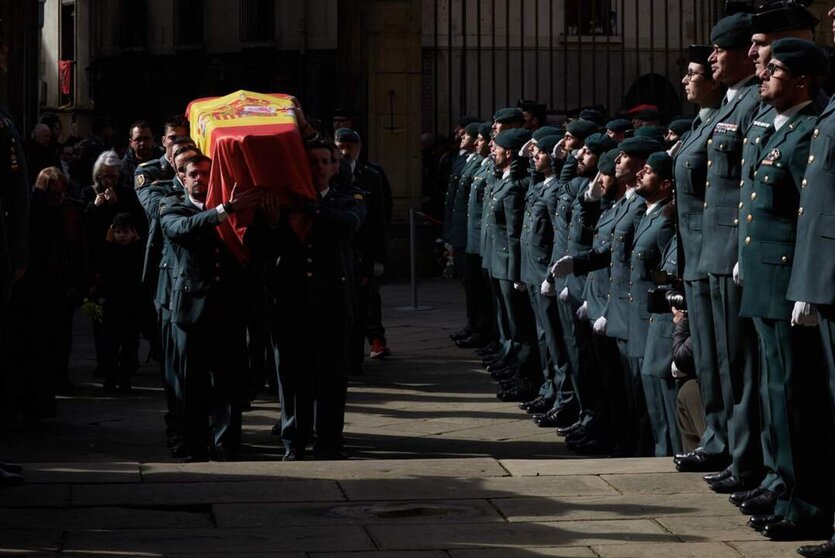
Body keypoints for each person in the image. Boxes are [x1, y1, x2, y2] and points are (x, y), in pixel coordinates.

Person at [738, 38, 831, 542]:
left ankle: (805, 500)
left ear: (801, 82)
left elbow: (807, 216)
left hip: (787, 279)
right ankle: (785, 485)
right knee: (776, 391)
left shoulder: (806, 131)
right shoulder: (778, 129)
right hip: (764, 276)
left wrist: (804, 286)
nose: (763, 74)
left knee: (795, 395)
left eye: (774, 70)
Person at [676, 12, 760, 479]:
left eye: (718, 50)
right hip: (704, 251)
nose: (711, 58)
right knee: (712, 361)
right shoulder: (727, 108)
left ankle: (740, 454)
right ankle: (721, 441)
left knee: (735, 364)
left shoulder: (747, 104)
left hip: (727, 251)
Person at [254, 140, 366, 460]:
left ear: (334, 166)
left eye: (325, 162)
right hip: (290, 300)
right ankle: (294, 440)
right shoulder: (283, 202)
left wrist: (309, 205)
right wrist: (275, 221)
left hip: (332, 301)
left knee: (331, 377)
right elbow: (262, 249)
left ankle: (329, 441)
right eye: (312, 162)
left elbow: (347, 224)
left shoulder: (349, 197)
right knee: (291, 376)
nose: (319, 168)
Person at [160, 154, 261, 461]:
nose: (200, 179)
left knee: (229, 383)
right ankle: (195, 445)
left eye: (207, 173)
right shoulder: (172, 205)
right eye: (194, 174)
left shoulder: (235, 210)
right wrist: (224, 210)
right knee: (193, 384)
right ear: (183, 176)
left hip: (228, 307)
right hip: (191, 309)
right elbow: (183, 229)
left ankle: (227, 444)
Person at [334, 128, 389, 371]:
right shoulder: (329, 173)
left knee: (367, 299)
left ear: (359, 147)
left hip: (363, 250)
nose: (345, 151)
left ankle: (369, 345)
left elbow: (381, 216)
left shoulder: (371, 174)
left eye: (350, 146)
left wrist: (377, 257)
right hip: (339, 250)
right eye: (341, 146)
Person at [94, 212, 145, 392]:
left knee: (129, 344)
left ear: (133, 233)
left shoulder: (138, 251)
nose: (121, 235)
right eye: (118, 232)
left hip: (131, 304)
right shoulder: (107, 251)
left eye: (125, 232)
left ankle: (124, 377)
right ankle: (110, 377)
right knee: (110, 344)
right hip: (111, 304)